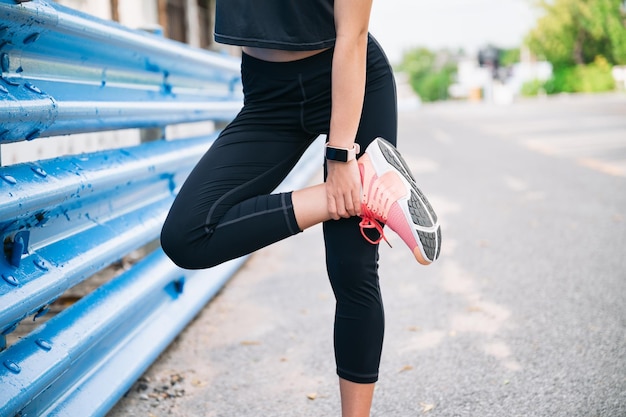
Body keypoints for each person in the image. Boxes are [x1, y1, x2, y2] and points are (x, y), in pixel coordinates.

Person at [160, 0, 441, 415]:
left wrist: (342, 153)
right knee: (187, 236)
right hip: (267, 95)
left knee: (352, 267)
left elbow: (353, 34)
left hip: (349, 78)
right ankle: (355, 194)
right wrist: (336, 194)